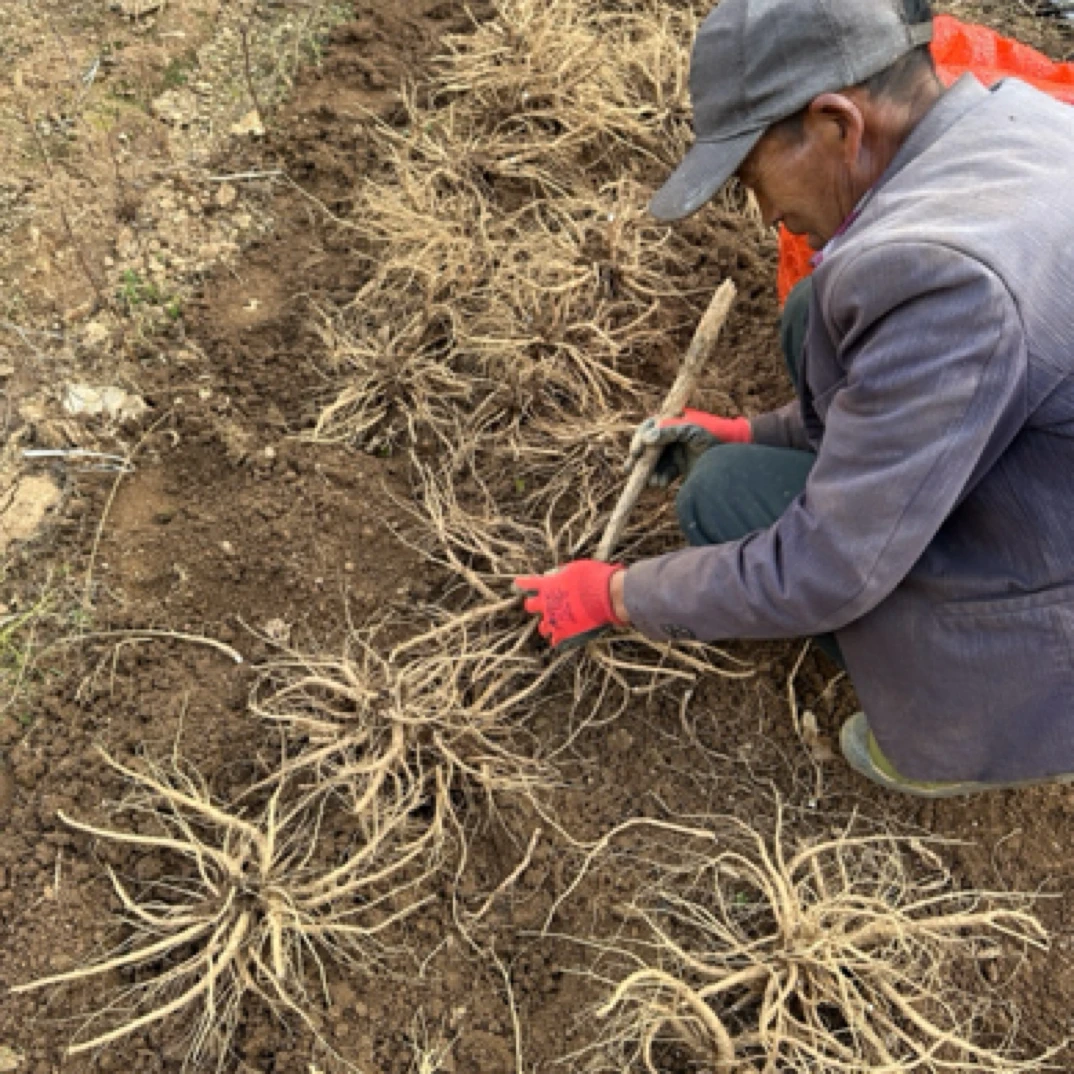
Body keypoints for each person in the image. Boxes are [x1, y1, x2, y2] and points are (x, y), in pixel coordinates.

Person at [515, 0, 1074, 797]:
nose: (766, 214)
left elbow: (827, 567)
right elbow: (912, 393)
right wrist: (750, 428)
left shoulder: (948, 282)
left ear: (837, 123)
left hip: (1051, 615)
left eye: (752, 180)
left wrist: (615, 594)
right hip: (1045, 479)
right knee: (818, 312)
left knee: (723, 499)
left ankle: (963, 729)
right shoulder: (1015, 122)